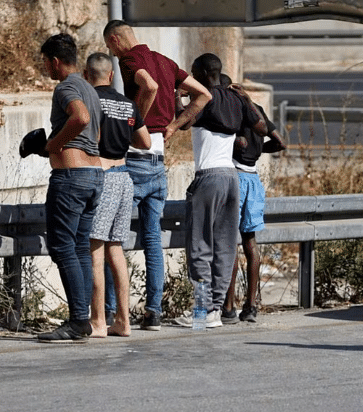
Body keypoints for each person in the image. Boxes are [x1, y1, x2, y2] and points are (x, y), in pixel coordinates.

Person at [102, 20, 211, 331]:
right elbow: (203, 95)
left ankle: (111, 312)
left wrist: (131, 120)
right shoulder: (166, 61)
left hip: (135, 156)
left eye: (110, 47)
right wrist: (176, 125)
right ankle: (154, 313)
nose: (111, 51)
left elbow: (148, 85)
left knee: (112, 237)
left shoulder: (129, 60)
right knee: (152, 238)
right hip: (158, 160)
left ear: (114, 40)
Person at [172, 53, 267, 328]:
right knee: (225, 246)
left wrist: (179, 95)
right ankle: (214, 311)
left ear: (201, 72)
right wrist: (248, 99)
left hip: (209, 177)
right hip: (232, 178)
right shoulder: (235, 99)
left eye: (192, 73)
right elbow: (260, 127)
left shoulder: (204, 98)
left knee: (200, 246)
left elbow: (183, 121)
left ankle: (202, 311)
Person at [36, 33, 104, 343]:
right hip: (93, 175)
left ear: (54, 61)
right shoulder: (90, 88)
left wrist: (53, 144)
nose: (46, 68)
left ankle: (78, 321)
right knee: (78, 249)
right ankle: (82, 319)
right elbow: (94, 133)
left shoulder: (66, 87)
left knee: (63, 248)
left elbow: (81, 118)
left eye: (45, 62)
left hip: (71, 178)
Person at [84, 52, 151, 337]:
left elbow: (92, 137)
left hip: (103, 177)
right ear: (112, 75)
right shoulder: (128, 104)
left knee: (95, 251)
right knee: (116, 250)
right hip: (125, 178)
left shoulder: (90, 101)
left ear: (87, 76)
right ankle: (123, 322)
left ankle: (98, 321)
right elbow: (145, 142)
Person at [221, 74, 287, 324]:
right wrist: (258, 151)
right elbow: (280, 143)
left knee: (229, 243)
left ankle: (228, 306)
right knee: (250, 242)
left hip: (235, 177)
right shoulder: (256, 109)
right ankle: (250, 306)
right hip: (253, 180)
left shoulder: (228, 110)